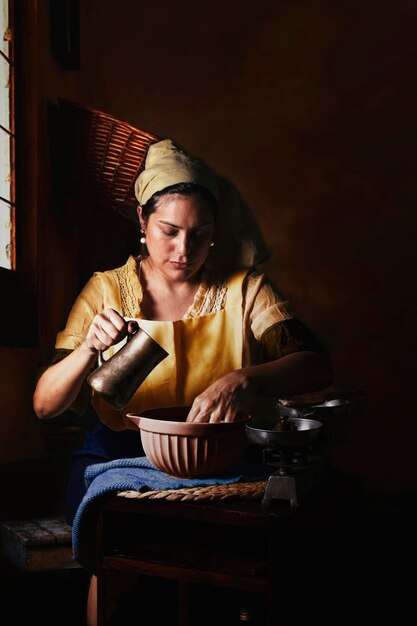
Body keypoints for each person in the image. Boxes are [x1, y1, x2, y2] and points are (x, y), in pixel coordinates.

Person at [33, 139, 333, 625]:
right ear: (141, 221)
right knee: (115, 561)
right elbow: (45, 406)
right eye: (169, 231)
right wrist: (89, 348)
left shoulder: (243, 288)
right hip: (121, 450)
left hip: (222, 451)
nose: (183, 250)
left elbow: (316, 365)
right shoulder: (108, 288)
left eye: (200, 234)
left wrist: (246, 378)